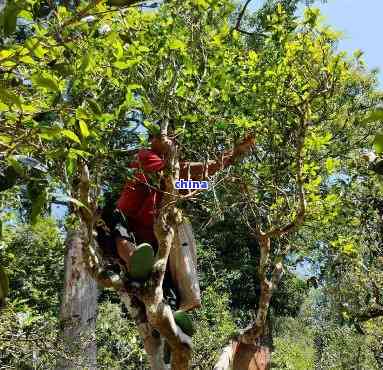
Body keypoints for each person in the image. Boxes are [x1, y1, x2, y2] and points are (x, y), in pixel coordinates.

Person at [103, 132, 255, 311]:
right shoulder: (146, 156)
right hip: (128, 223)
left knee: (164, 286)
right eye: (167, 138)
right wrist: (225, 158)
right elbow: (180, 171)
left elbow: (193, 184)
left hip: (151, 236)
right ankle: (135, 265)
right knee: (120, 232)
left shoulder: (170, 184)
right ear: (154, 140)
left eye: (174, 140)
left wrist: (226, 176)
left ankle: (173, 308)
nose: (172, 142)